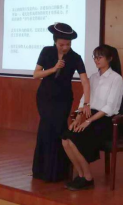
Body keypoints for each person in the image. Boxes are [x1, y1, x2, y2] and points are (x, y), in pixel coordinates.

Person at [32, 23, 91, 182]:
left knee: (59, 129)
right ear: (55, 42)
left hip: (63, 99)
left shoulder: (75, 57)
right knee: (46, 128)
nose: (65, 48)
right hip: (45, 97)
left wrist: (86, 103)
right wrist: (53, 68)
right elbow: (36, 74)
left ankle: (59, 172)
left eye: (68, 44)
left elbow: (85, 81)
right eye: (61, 44)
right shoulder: (47, 51)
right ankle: (42, 171)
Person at [62, 45, 123, 191]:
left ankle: (88, 178)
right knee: (65, 139)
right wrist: (78, 117)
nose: (96, 60)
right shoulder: (93, 77)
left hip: (106, 120)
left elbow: (110, 107)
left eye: (100, 57)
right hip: (90, 117)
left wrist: (88, 121)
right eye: (94, 57)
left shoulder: (116, 79)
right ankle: (81, 175)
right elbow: (84, 99)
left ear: (110, 58)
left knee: (75, 139)